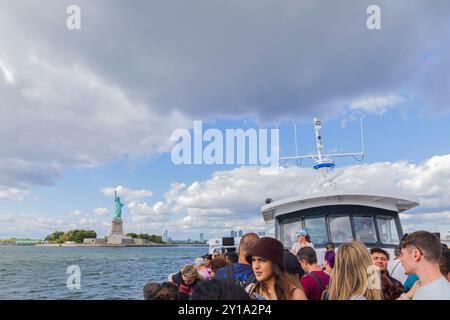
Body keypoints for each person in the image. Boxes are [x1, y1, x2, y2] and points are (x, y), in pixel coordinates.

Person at [397, 231, 450, 300]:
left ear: (415, 254)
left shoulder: (441, 295)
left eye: (402, 254)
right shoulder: (422, 287)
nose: (400, 259)